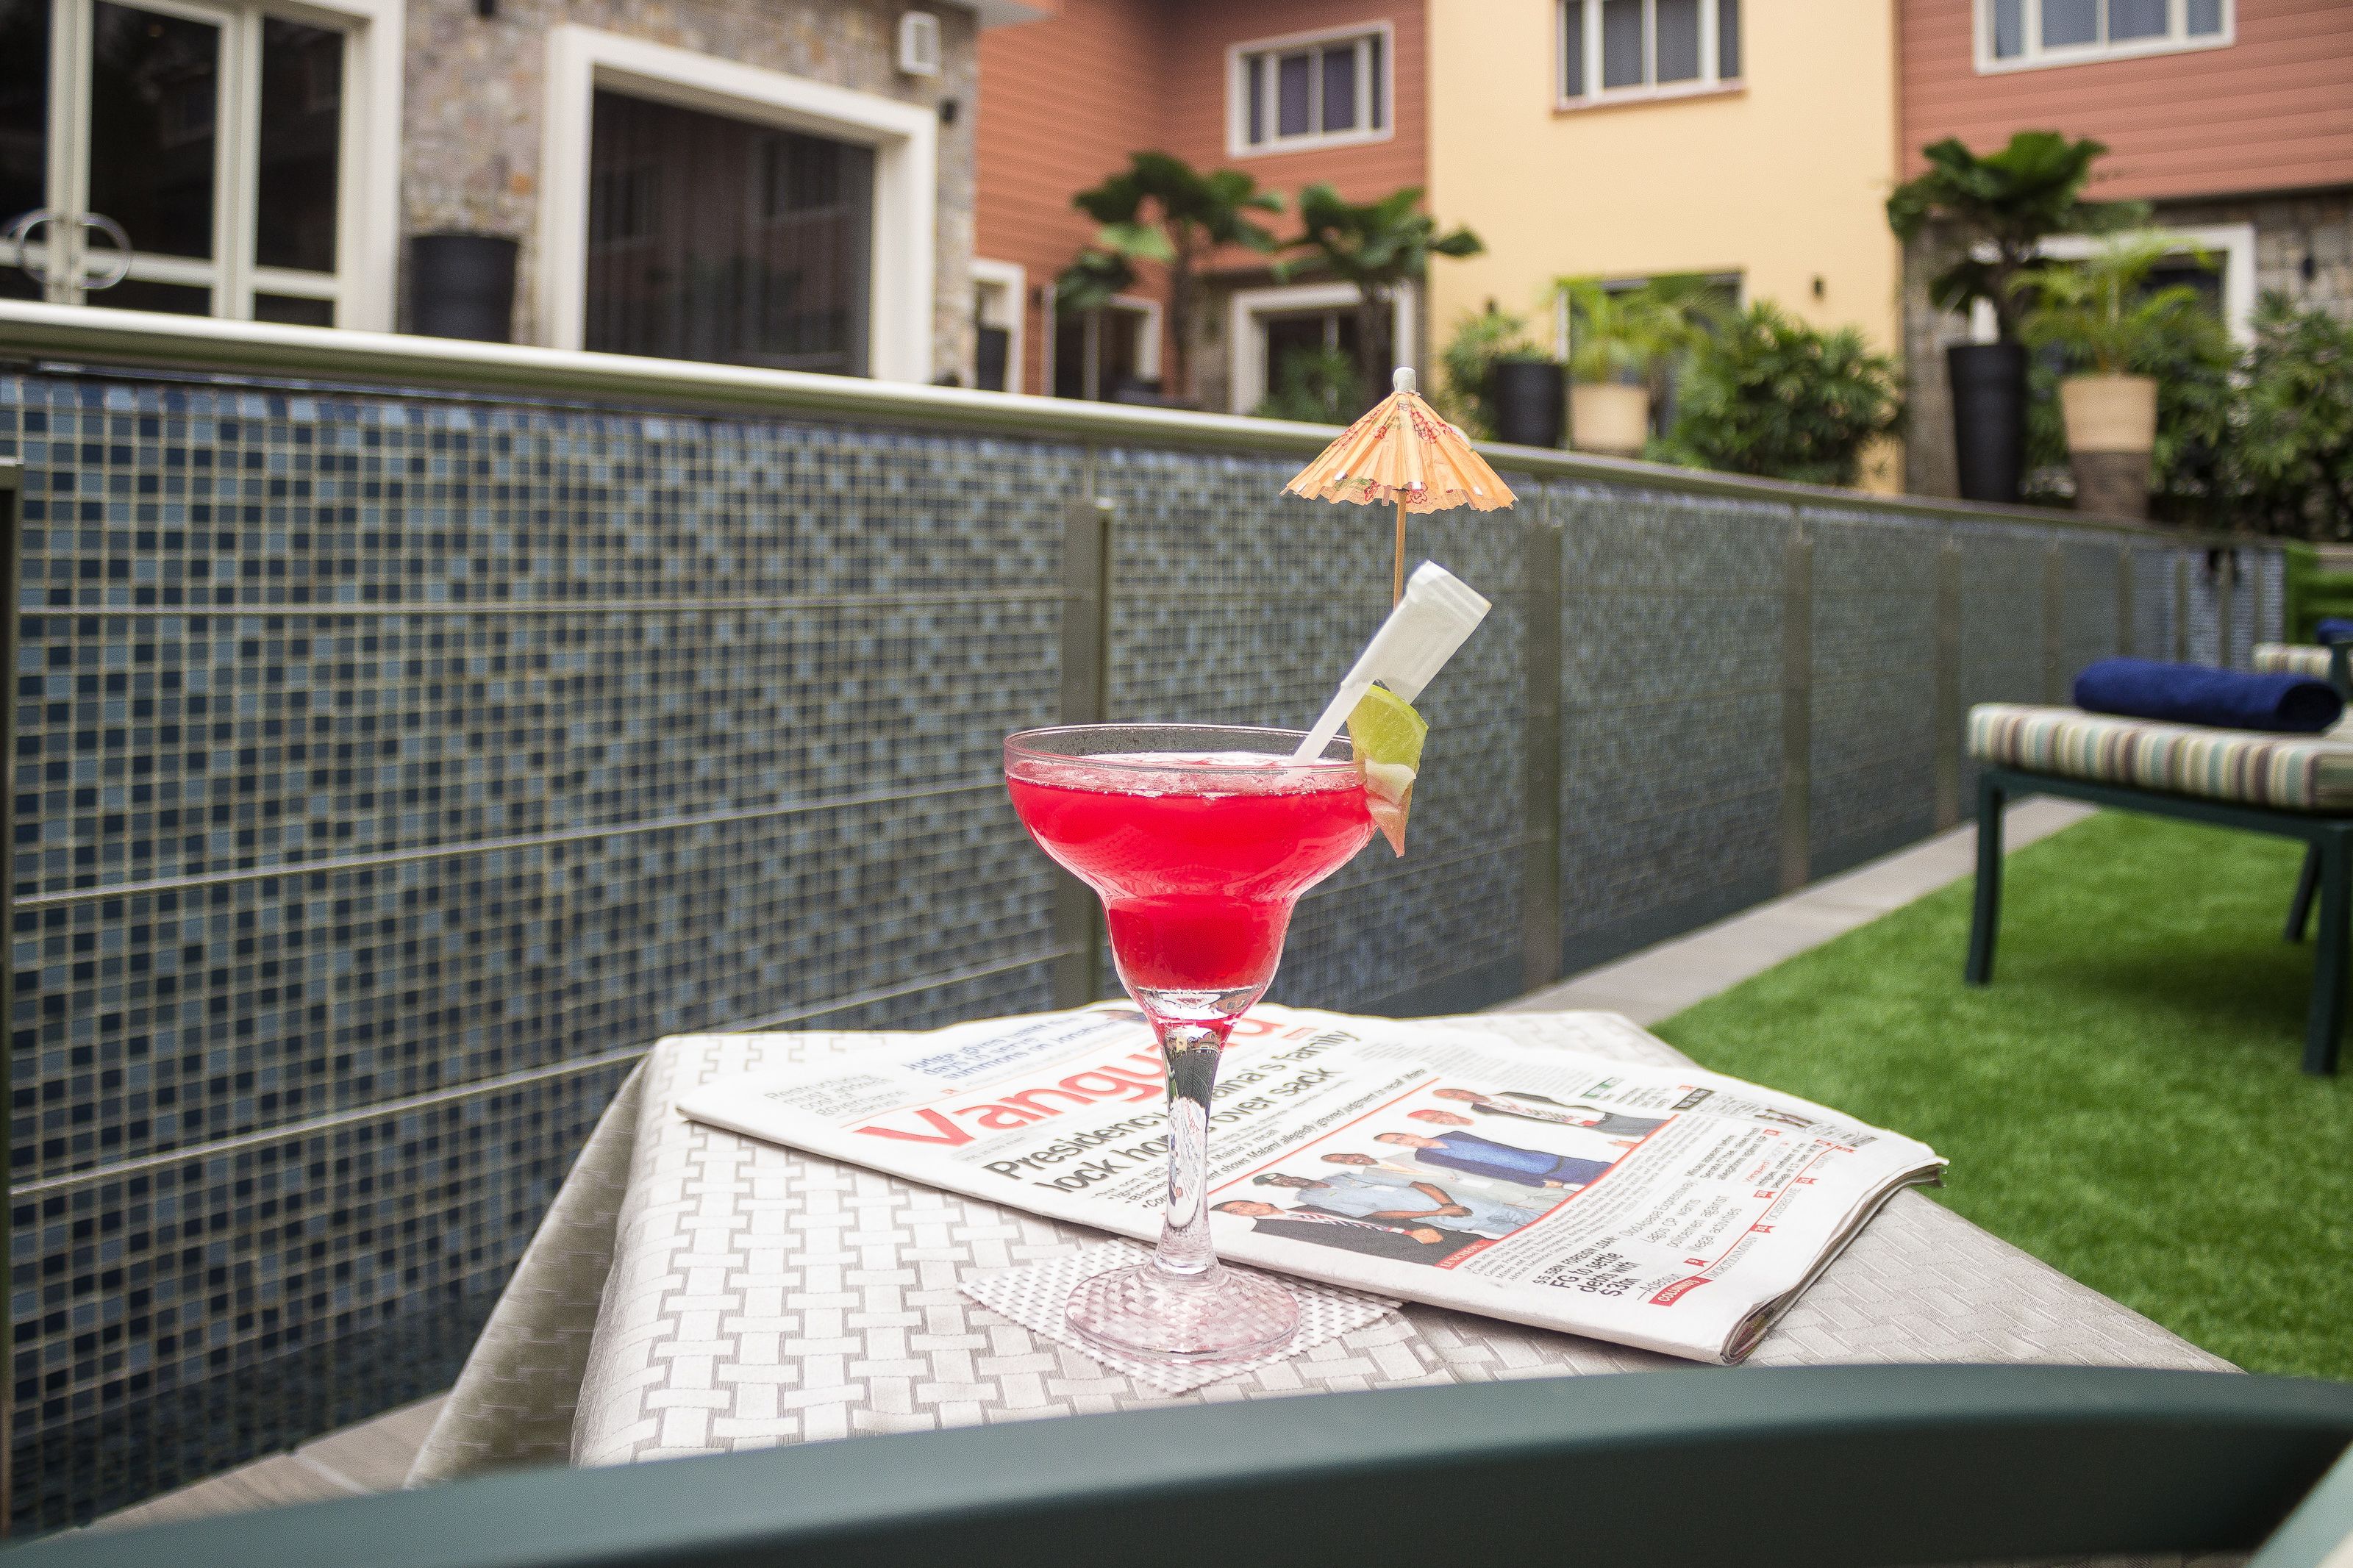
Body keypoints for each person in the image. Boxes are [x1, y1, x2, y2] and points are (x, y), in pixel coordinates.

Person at [1253, 1168, 1541, 1240]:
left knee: (1526, 1218)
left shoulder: (1341, 1176)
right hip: (1436, 1216)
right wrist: (1437, 1213)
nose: (1286, 1183)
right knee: (1510, 1234)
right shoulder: (1308, 1199)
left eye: (1282, 1178)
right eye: (1278, 1184)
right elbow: (1378, 1213)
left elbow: (1419, 1184)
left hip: (1459, 1203)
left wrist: (1448, 1203)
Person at [1211, 1200, 1485, 1264]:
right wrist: (1406, 1238)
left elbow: (1361, 1218)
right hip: (1404, 1250)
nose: (1244, 1210)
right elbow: (1348, 1243)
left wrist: (1413, 1228)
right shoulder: (1268, 1231)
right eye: (1236, 1212)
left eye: (1243, 1204)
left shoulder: (1307, 1206)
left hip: (1423, 1231)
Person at [1374, 1129, 1615, 1189]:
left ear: (1410, 1132)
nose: (1404, 1142)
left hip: (1559, 1156)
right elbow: (1489, 1172)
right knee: (1603, 1186)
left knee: (1614, 1171)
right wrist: (1537, 1183)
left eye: (1401, 1137)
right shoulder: (1427, 1157)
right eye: (1396, 1143)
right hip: (1544, 1173)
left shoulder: (1454, 1134)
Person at [1429, 1087, 1667, 1138]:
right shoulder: (1483, 1112)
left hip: (1606, 1110)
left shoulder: (1504, 1088)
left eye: (1454, 1093)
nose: (1457, 1097)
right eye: (1451, 1098)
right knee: (1653, 1135)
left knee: (1665, 1122)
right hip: (1592, 1125)